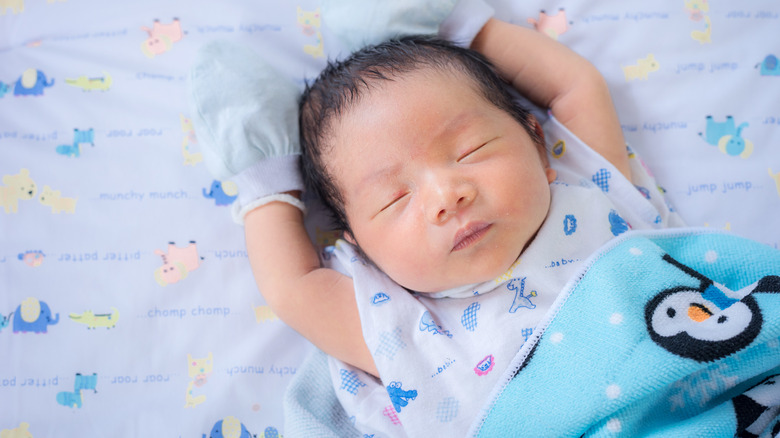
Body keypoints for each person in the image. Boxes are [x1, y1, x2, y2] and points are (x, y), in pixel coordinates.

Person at [189, 13, 684, 438]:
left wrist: (463, 26)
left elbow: (576, 87)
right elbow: (291, 285)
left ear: (537, 145)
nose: (447, 197)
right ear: (359, 245)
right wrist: (266, 181)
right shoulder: (394, 322)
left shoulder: (590, 187)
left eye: (470, 151)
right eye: (395, 199)